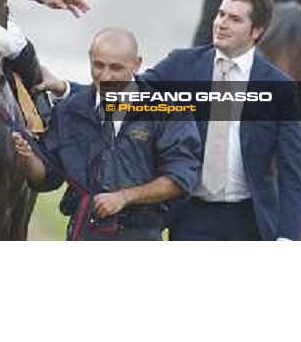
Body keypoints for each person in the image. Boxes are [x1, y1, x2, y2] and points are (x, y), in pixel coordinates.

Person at [146, 0, 301, 240]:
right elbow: (126, 96)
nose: (221, 23)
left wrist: (287, 238)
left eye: (234, 19)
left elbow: (293, 173)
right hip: (188, 216)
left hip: (250, 222)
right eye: (221, 14)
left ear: (256, 30)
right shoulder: (180, 66)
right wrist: (63, 88)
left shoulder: (280, 88)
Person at [11, 28, 201, 241]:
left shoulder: (168, 110)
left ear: (137, 64)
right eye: (98, 65)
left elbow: (181, 178)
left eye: (116, 68)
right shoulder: (68, 110)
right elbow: (46, 178)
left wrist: (124, 197)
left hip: (140, 236)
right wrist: (27, 156)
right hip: (83, 233)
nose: (106, 76)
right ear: (90, 58)